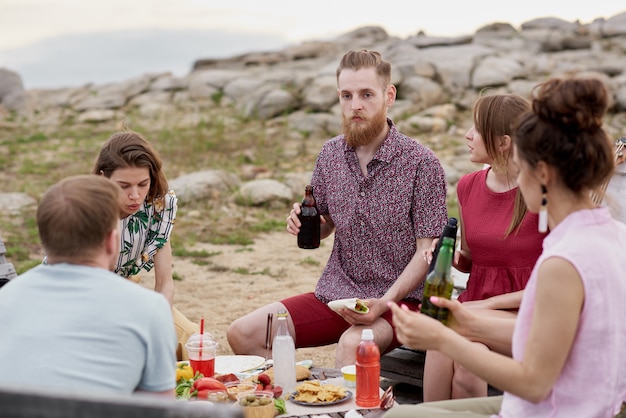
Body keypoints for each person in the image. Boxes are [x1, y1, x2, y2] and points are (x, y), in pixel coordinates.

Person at [385, 76, 626, 418]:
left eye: (522, 165)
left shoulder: (565, 261)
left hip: (552, 408)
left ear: (541, 173)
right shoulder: (612, 235)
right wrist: (460, 323)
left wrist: (444, 338)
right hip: (584, 402)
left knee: (397, 415)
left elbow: (534, 384)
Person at [227, 49, 448, 367]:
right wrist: (307, 224)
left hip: (401, 303)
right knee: (244, 334)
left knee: (353, 346)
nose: (355, 105)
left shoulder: (421, 162)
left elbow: (426, 252)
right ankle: (305, 398)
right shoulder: (330, 154)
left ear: (389, 95)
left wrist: (383, 304)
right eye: (347, 95)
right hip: (338, 295)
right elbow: (326, 221)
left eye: (366, 94)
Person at [0, 175, 176, 395]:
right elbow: (159, 408)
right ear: (112, 241)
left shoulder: (5, 299)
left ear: (44, 242)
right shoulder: (150, 309)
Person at [423, 94, 546, 401]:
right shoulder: (467, 185)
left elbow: (551, 280)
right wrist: (448, 256)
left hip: (523, 311)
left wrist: (489, 305)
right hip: (474, 305)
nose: (467, 134)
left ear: (503, 142)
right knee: (462, 365)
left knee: (444, 329)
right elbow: (472, 261)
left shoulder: (540, 192)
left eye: (476, 128)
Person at [93, 131, 198, 360]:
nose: (135, 195)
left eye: (143, 184)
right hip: (86, 300)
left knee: (191, 339)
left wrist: (157, 323)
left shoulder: (157, 206)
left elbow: (165, 282)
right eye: (123, 186)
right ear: (103, 178)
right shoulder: (88, 213)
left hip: (128, 293)